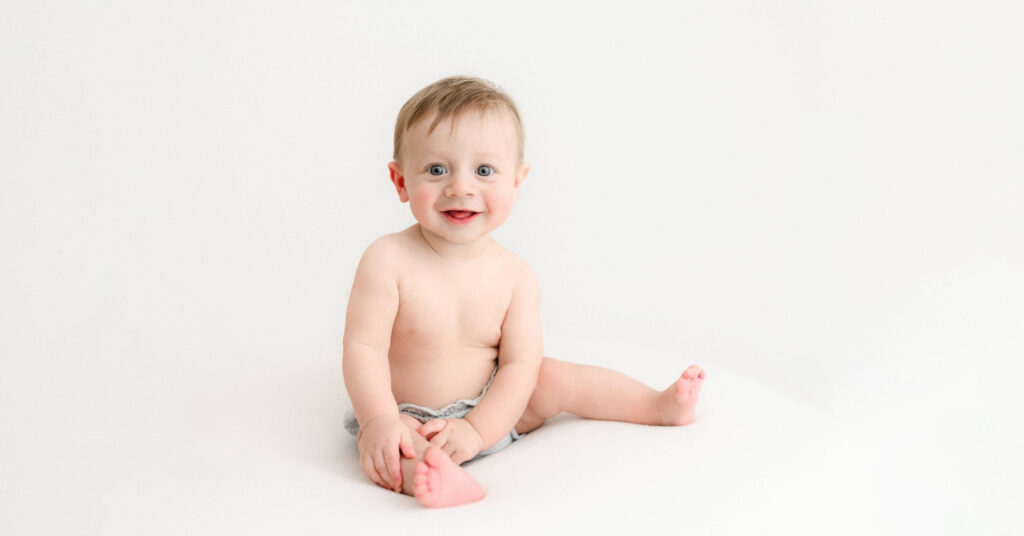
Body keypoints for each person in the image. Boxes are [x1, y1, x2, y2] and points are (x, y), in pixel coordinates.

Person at [342, 75, 705, 508]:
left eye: (484, 170)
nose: (461, 187)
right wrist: (380, 418)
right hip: (409, 414)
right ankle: (436, 477)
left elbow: (518, 367)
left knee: (552, 375)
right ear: (400, 181)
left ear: (516, 181)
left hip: (495, 409)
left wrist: (479, 428)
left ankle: (656, 406)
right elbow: (363, 347)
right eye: (437, 170)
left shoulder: (515, 275)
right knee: (387, 448)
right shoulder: (387, 259)